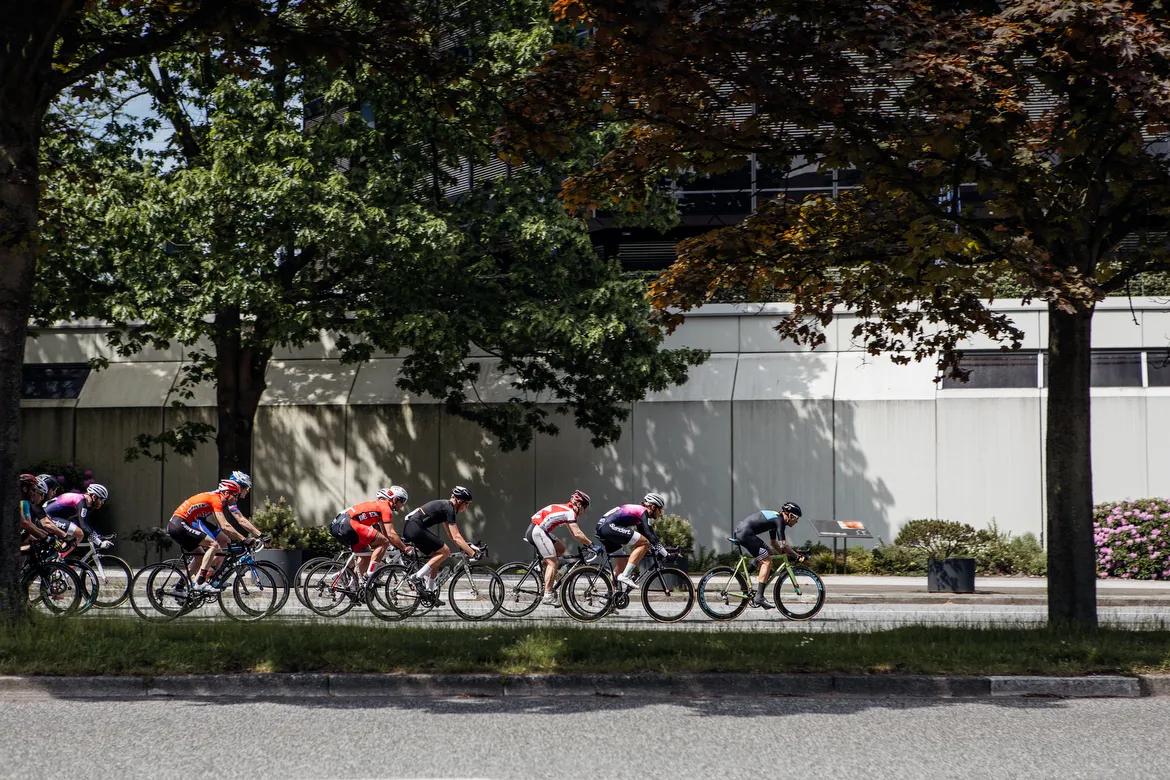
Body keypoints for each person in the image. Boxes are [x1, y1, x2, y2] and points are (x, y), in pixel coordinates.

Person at [165, 480, 246, 593]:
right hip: (180, 525)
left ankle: (179, 587)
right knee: (214, 545)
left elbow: (222, 526)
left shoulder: (215, 498)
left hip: (177, 524)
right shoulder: (216, 499)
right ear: (226, 493)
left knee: (200, 558)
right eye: (235, 495)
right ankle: (200, 582)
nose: (236, 499)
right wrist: (244, 539)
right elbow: (224, 525)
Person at [402, 486, 478, 601]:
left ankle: (430, 591)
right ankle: (417, 577)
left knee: (437, 555)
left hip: (411, 527)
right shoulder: (449, 508)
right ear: (459, 500)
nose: (466, 507)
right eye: (466, 503)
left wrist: (464, 547)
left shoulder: (446, 507)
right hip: (415, 528)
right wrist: (473, 553)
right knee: (445, 551)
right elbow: (456, 536)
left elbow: (451, 535)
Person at [329, 486, 410, 584]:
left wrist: (394, 545)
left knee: (366, 555)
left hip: (339, 524)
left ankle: (351, 583)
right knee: (384, 542)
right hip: (348, 524)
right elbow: (391, 534)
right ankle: (369, 575)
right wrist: (405, 548)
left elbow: (386, 533)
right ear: (395, 499)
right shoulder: (386, 508)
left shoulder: (380, 506)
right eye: (402, 502)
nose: (403, 505)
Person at [527, 490, 594, 605]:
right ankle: (548, 595)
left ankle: (543, 567)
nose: (584, 511)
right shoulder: (570, 512)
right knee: (554, 563)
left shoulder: (567, 510)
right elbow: (577, 533)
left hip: (539, 529)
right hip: (538, 531)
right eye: (584, 508)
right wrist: (591, 545)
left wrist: (586, 543)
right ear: (579, 504)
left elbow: (574, 534)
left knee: (561, 548)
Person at [734, 502, 804, 609]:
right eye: (797, 518)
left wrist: (784, 555)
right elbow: (783, 545)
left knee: (769, 553)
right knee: (766, 561)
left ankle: (746, 573)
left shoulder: (776, 518)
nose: (797, 521)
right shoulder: (779, 521)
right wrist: (797, 556)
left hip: (742, 532)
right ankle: (759, 597)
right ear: (790, 515)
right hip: (745, 534)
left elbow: (773, 543)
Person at [596, 492, 668, 589]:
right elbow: (651, 536)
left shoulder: (639, 513)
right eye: (660, 509)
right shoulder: (643, 511)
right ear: (653, 507)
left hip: (603, 528)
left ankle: (609, 595)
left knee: (622, 565)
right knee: (644, 543)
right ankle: (625, 576)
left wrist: (655, 550)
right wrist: (666, 554)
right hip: (608, 527)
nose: (661, 513)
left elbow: (646, 535)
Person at [43, 483, 111, 557]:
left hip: (49, 516)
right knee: (79, 533)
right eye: (102, 499)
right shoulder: (81, 502)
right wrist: (99, 543)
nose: (102, 503)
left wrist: (97, 537)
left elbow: (86, 523)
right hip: (48, 517)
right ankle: (59, 559)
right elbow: (84, 525)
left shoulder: (82, 501)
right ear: (94, 497)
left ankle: (55, 557)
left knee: (74, 532)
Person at [219, 471, 264, 540]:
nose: (247, 491)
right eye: (247, 488)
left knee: (225, 541)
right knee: (214, 544)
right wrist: (244, 539)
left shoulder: (230, 498)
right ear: (240, 487)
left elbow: (240, 519)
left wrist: (259, 535)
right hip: (200, 520)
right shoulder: (226, 497)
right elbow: (227, 525)